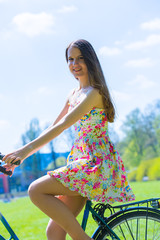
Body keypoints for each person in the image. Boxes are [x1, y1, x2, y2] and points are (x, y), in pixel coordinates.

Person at [3, 39, 135, 240]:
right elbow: (52, 128)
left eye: (80, 58)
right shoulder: (73, 94)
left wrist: (22, 152)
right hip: (80, 164)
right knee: (54, 232)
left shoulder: (94, 93)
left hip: (95, 165)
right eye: (70, 59)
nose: (75, 64)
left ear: (91, 60)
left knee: (35, 190)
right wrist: (20, 157)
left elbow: (64, 124)